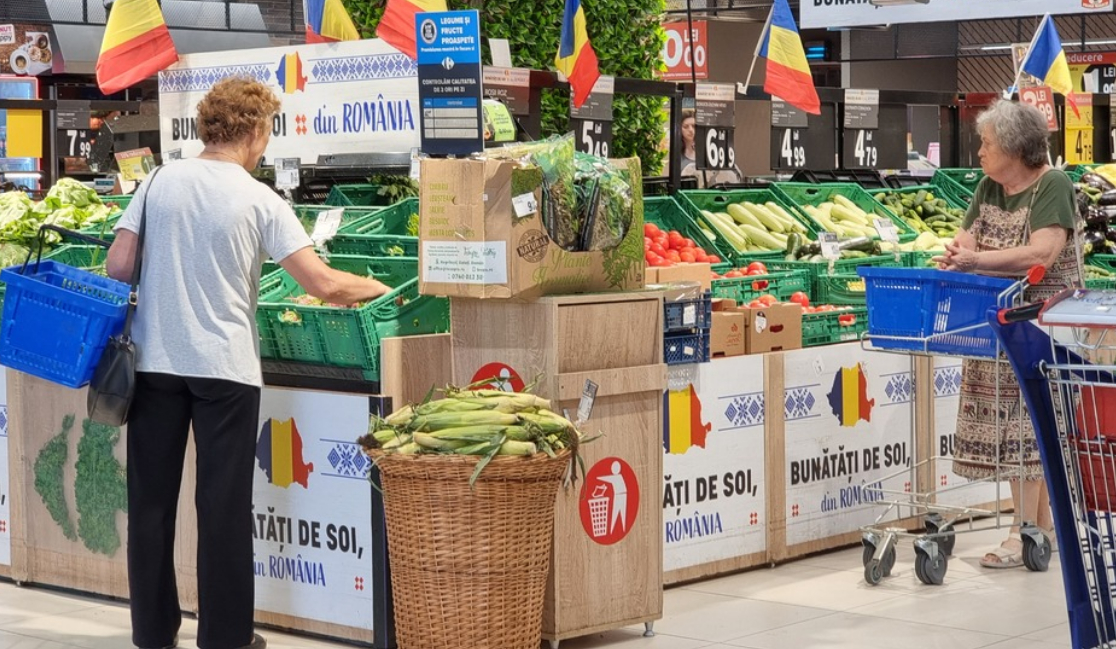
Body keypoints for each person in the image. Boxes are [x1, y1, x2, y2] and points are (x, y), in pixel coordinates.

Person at [105, 77, 392, 649]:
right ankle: (226, 638)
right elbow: (322, 283)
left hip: (155, 364)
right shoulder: (260, 199)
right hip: (225, 373)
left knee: (152, 502)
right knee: (223, 509)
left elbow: (118, 264)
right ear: (256, 132)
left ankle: (153, 633)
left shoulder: (158, 181)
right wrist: (378, 289)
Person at [934, 99, 1081, 569]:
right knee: (1019, 432)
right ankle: (1042, 530)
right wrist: (960, 250)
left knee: (1029, 429)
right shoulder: (988, 187)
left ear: (1015, 148)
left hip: (1041, 327)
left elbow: (1042, 253)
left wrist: (975, 262)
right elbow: (969, 237)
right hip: (994, 325)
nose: (979, 151)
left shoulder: (1052, 185)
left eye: (987, 143)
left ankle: (1024, 536)